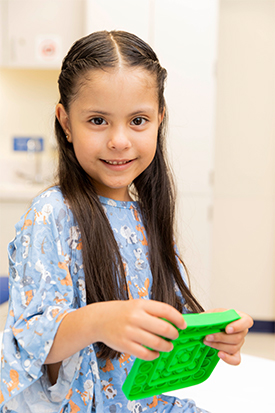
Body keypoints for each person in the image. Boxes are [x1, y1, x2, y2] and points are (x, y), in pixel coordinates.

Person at [0, 31, 253, 413]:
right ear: (66, 122)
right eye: (98, 120)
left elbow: (165, 325)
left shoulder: (146, 215)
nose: (119, 140)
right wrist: (100, 320)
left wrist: (209, 335)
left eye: (138, 120)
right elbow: (28, 345)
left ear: (159, 120)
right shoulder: (51, 215)